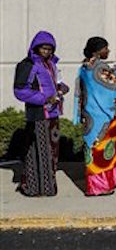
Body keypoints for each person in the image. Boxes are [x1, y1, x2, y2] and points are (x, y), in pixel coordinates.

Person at [74, 37, 116, 196]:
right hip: (102, 115)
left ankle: (102, 183)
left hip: (91, 113)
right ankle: (99, 186)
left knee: (94, 149)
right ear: (97, 50)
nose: (108, 51)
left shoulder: (85, 66)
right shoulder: (100, 67)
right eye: (105, 48)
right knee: (101, 150)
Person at [13, 31, 69, 197]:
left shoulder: (50, 64)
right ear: (36, 48)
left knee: (51, 152)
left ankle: (48, 188)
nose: (46, 52)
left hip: (53, 114)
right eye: (43, 48)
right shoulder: (27, 64)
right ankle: (33, 187)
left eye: (49, 49)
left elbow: (55, 83)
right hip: (38, 114)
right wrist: (45, 99)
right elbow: (20, 90)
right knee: (37, 151)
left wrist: (61, 88)